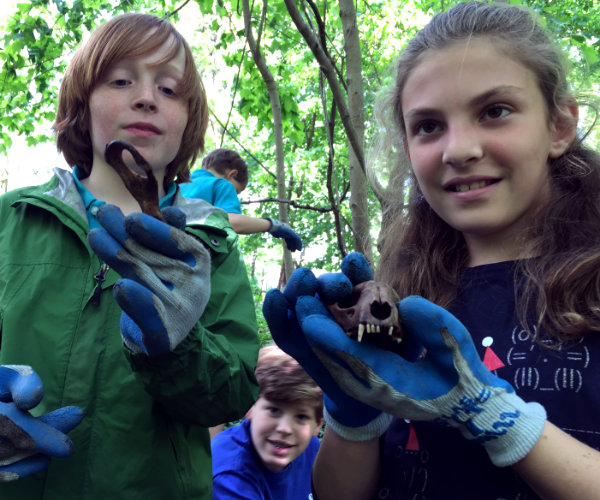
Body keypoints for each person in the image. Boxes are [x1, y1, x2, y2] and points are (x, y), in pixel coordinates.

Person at [262, 2, 600, 499]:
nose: (458, 150)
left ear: (559, 126)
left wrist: (497, 417)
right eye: (428, 125)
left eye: (495, 111)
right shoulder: (401, 297)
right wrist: (353, 415)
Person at [0, 13, 260, 499]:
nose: (146, 97)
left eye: (169, 89)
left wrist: (178, 346)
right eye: (121, 80)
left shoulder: (210, 242)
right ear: (82, 103)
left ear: (189, 121)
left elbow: (234, 392)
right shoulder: (11, 218)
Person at [211, 344, 323, 499]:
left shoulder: (310, 448)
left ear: (317, 424)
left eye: (301, 417)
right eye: (274, 410)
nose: (285, 429)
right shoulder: (229, 476)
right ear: (250, 405)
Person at [180, 148, 302, 252]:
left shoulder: (179, 185)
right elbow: (232, 223)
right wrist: (272, 225)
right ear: (231, 174)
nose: (235, 196)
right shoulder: (222, 184)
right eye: (237, 191)